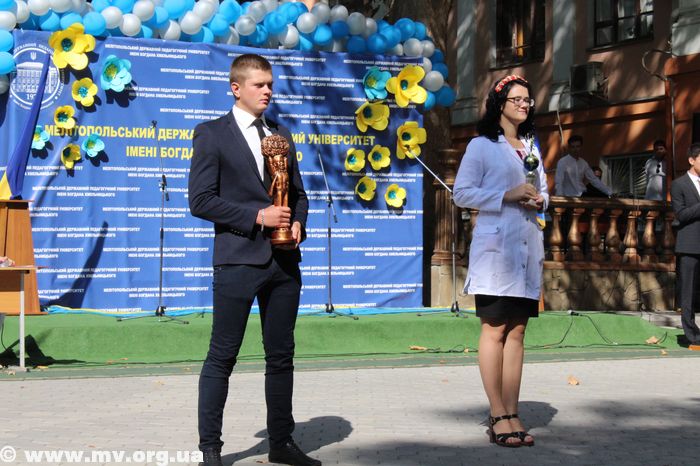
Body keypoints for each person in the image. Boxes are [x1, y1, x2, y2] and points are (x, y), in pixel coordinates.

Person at [188, 54, 318, 466]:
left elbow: (299, 195)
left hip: (284, 264)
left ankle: (281, 442)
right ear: (236, 88)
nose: (267, 91)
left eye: (270, 85)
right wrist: (257, 217)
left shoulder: (281, 134)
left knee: (281, 355)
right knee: (222, 355)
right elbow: (200, 200)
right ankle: (211, 449)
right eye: (259, 84)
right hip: (238, 260)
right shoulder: (212, 134)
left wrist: (297, 223)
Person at [453, 75, 548, 448]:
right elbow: (462, 193)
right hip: (496, 250)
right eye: (517, 99)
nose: (524, 105)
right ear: (500, 104)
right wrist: (506, 195)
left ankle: (513, 410)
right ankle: (497, 414)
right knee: (494, 329)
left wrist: (541, 200)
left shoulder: (531, 146)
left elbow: (544, 191)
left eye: (528, 100)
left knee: (518, 331)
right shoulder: (481, 146)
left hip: (527, 246)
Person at [670, 142, 700, 345]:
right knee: (688, 292)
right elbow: (681, 214)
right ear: (691, 160)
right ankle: (692, 335)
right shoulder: (679, 184)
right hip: (690, 245)